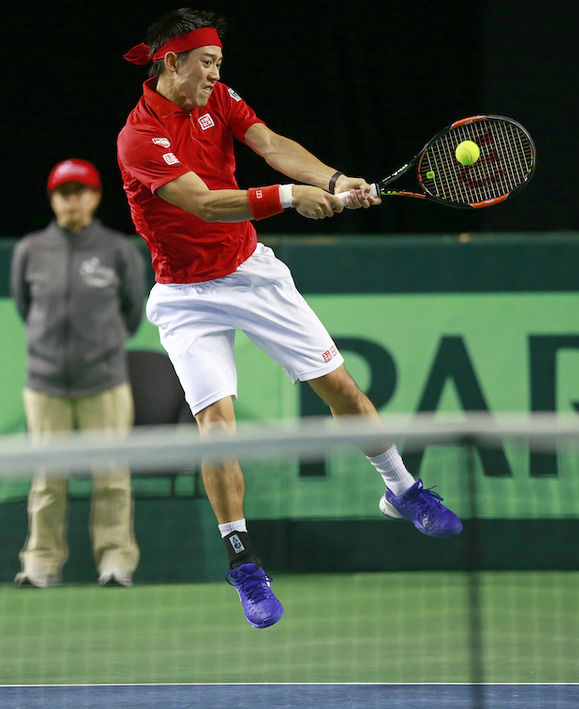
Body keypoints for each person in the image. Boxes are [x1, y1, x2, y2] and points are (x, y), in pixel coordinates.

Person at [118, 8, 462, 629]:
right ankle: (245, 564)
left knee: (341, 389)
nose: (216, 74)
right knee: (217, 426)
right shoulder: (139, 137)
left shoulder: (218, 98)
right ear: (171, 61)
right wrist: (288, 198)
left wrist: (333, 178)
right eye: (207, 63)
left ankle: (402, 489)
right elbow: (201, 202)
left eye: (220, 64)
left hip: (251, 272)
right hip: (185, 297)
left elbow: (271, 146)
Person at [10, 158, 147, 588]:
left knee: (112, 477)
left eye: (80, 191)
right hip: (45, 386)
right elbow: (24, 307)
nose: (72, 200)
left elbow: (131, 313)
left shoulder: (118, 250)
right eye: (63, 193)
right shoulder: (30, 250)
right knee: (47, 481)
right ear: (52, 199)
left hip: (104, 384)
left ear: (95, 197)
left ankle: (116, 562)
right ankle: (40, 565)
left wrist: (99, 353)